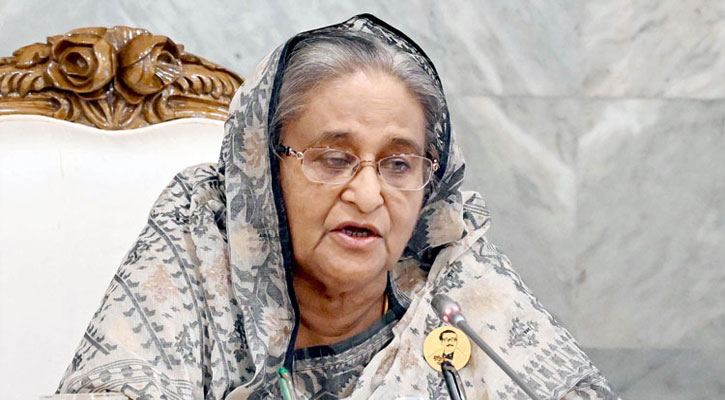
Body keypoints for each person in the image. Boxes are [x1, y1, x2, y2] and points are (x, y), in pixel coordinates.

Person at [57, 14, 619, 399]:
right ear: (264, 171)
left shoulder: (453, 274)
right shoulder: (201, 236)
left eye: (399, 165)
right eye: (333, 159)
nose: (369, 196)